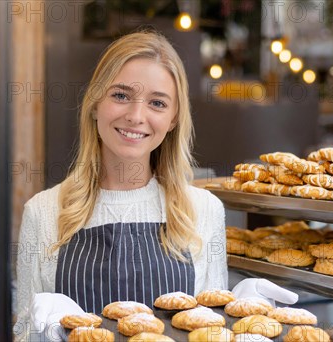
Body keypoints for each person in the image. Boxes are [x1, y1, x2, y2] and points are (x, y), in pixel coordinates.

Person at [14, 30, 227, 340]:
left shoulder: (204, 210)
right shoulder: (43, 212)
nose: (136, 116)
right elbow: (21, 333)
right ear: (95, 102)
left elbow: (212, 332)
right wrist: (41, 333)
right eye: (121, 95)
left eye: (157, 103)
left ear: (173, 119)